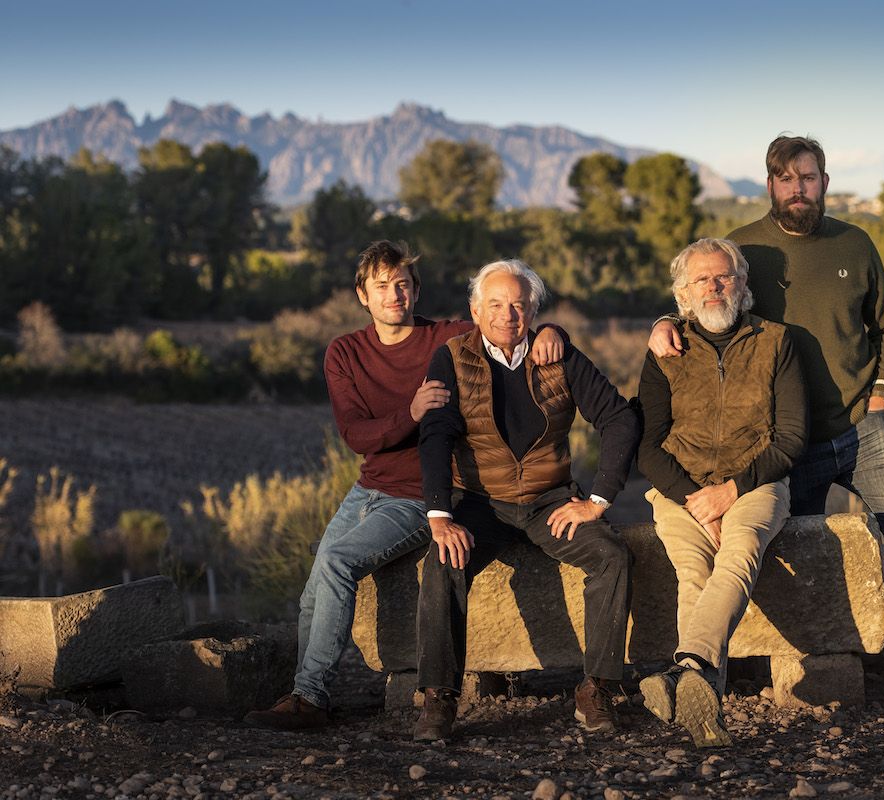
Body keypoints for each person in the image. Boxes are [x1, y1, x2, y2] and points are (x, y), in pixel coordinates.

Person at [650, 135, 884, 719]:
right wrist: (665, 319)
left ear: (824, 181)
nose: (799, 189)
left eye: (810, 178)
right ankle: (784, 664)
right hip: (781, 438)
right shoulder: (745, 248)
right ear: (770, 184)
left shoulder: (855, 242)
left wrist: (883, 389)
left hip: (862, 425)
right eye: (787, 179)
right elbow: (704, 296)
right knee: (773, 547)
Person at [244, 241, 564, 730]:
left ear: (416, 291)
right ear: (362, 296)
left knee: (337, 560)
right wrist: (411, 413)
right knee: (314, 590)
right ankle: (301, 691)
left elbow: (507, 322)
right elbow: (357, 435)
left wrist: (552, 331)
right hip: (367, 488)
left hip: (424, 495)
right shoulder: (345, 352)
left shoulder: (448, 338)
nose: (394, 295)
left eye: (403, 285)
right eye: (382, 287)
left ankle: (310, 698)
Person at [413, 259, 639, 741]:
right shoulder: (450, 358)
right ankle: (438, 698)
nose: (507, 314)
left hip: (548, 501)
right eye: (494, 304)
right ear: (475, 310)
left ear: (532, 309)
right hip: (480, 501)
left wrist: (597, 500)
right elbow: (434, 433)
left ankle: (596, 688)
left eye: (518, 304)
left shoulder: (557, 354)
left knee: (611, 556)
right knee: (441, 561)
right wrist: (439, 515)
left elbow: (619, 419)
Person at [637, 238, 807, 747]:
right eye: (701, 280)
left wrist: (730, 492)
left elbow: (792, 436)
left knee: (739, 552)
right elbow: (647, 444)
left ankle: (687, 669)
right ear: (682, 294)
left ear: (743, 283)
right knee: (693, 573)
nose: (713, 287)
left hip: (757, 481)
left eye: (724, 276)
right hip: (678, 489)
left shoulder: (777, 341)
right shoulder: (664, 350)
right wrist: (695, 497)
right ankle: (702, 703)